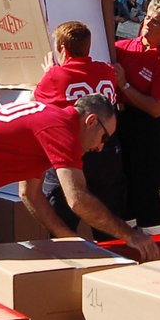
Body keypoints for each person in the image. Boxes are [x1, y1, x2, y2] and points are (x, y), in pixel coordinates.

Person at [0, 95, 155, 283]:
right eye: (104, 137)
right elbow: (78, 199)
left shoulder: (51, 119)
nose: (101, 147)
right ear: (91, 121)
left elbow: (30, 195)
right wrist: (129, 234)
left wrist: (71, 240)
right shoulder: (62, 129)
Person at [34, 20, 126, 232]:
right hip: (106, 151)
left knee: (62, 222)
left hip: (72, 153)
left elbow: (37, 103)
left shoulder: (56, 75)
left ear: (62, 49)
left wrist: (49, 73)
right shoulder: (106, 70)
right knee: (108, 219)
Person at [115, 0, 160, 234]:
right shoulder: (123, 47)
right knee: (122, 194)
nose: (147, 23)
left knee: (146, 195)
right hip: (119, 125)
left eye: (156, 22)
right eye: (147, 17)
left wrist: (124, 85)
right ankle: (127, 246)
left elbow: (156, 108)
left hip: (145, 131)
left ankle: (157, 249)